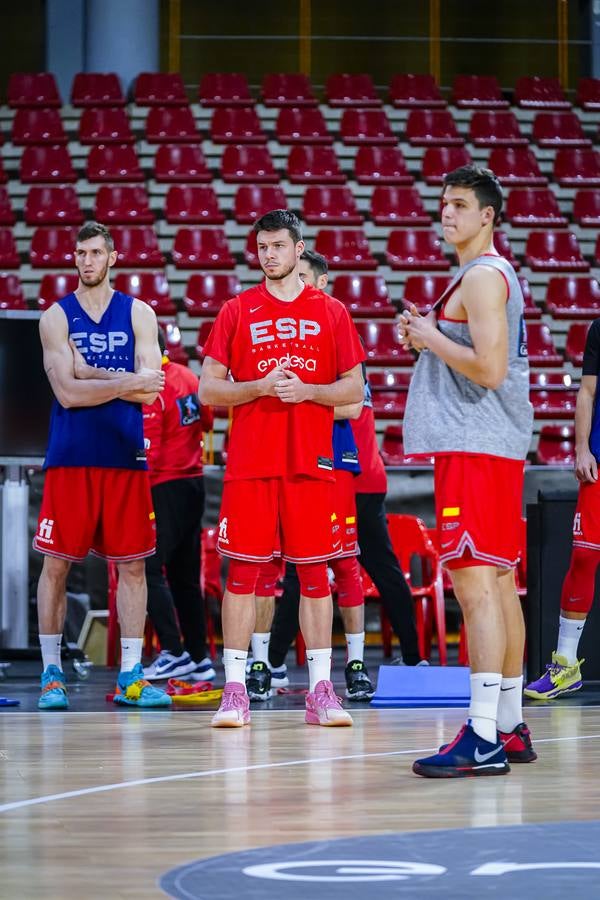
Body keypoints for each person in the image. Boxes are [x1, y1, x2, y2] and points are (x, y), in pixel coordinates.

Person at [198, 209, 365, 727]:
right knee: (244, 573)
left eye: (277, 246)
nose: (268, 255)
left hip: (312, 463)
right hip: (251, 462)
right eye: (262, 247)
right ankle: (234, 688)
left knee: (315, 574)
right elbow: (209, 388)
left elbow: (354, 393)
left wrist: (308, 391)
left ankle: (320, 689)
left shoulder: (332, 311)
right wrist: (260, 386)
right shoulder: (237, 310)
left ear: (299, 248)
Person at [400, 166, 536, 777]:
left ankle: (480, 735)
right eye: (443, 202)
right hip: (491, 446)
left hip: (475, 446)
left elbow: (489, 369)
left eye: (459, 204)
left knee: (475, 586)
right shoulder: (484, 275)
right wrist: (431, 336)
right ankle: (508, 726)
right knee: (500, 585)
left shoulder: (483, 277)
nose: (446, 213)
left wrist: (430, 336)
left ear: (488, 215)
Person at [34, 221, 171, 710]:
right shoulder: (54, 317)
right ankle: (52, 672)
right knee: (55, 565)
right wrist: (121, 380)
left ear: (113, 257)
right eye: (80, 254)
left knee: (133, 565)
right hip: (70, 456)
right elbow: (66, 395)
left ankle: (131, 678)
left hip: (123, 455)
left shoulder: (139, 313)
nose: (86, 261)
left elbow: (151, 386)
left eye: (95, 253)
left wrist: (90, 371)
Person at [246, 249, 375, 703]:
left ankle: (354, 666)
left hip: (329, 461)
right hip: (273, 458)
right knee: (265, 563)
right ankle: (260, 664)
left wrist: (299, 399)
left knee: (341, 562)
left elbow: (353, 402)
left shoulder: (337, 328)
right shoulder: (266, 328)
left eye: (303, 277)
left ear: (319, 283)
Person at [524, 322, 600, 700]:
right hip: (599, 461)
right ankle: (565, 665)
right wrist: (582, 448)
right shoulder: (599, 328)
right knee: (584, 557)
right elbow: (587, 392)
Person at [142, 327, 216, 683]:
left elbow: (149, 449)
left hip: (164, 484)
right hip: (194, 483)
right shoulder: (188, 375)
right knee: (185, 575)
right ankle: (200, 657)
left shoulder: (153, 386)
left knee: (146, 567)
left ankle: (173, 650)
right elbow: (208, 421)